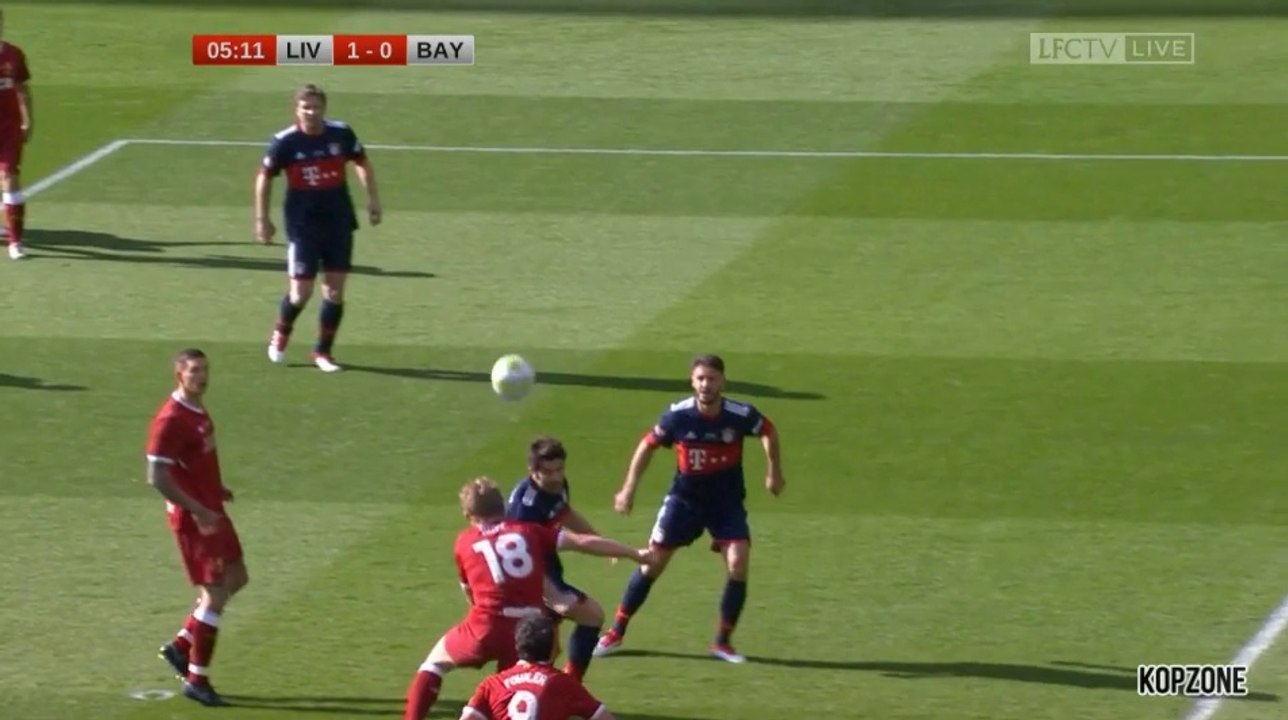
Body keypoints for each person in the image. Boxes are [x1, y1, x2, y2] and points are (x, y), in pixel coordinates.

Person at [404, 477, 656, 720]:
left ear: (470, 516)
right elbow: (581, 542)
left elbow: (468, 591)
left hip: (484, 626)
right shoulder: (530, 531)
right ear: (502, 507)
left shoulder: (464, 541)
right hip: (524, 632)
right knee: (511, 699)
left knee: (434, 664)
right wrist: (634, 553)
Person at [595, 354, 784, 663]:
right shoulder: (677, 416)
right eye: (700, 379)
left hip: (726, 503)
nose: (706, 385)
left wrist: (773, 472)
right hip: (685, 501)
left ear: (722, 381)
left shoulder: (739, 414)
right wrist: (628, 488)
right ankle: (616, 631)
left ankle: (722, 643)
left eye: (711, 378)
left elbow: (768, 431)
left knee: (738, 564)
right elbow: (647, 445)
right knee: (652, 564)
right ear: (692, 381)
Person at [145, 349, 248, 707]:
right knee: (216, 594)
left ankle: (181, 645)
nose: (201, 376)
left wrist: (215, 489)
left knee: (237, 577)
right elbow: (156, 476)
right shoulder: (170, 419)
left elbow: (193, 463)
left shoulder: (197, 409)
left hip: (210, 509)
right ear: (179, 375)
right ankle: (197, 680)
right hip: (195, 519)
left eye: (205, 369)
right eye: (193, 371)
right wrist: (198, 509)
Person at [254, 83, 382, 372]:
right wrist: (262, 219)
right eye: (305, 107)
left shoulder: (341, 133)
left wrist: (372, 200)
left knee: (334, 293)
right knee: (301, 292)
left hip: (339, 222)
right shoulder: (285, 142)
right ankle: (281, 333)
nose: (311, 112)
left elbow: (362, 162)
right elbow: (264, 177)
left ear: (324, 109)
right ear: (296, 109)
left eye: (316, 107)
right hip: (303, 226)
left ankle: (323, 352)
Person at [506, 437, 608, 681]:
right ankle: (562, 690)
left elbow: (565, 513)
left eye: (559, 470)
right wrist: (555, 597)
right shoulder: (525, 510)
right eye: (548, 472)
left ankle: (554, 694)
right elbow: (524, 562)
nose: (555, 477)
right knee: (591, 616)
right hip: (531, 578)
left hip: (547, 567)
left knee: (547, 650)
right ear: (532, 471)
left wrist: (598, 539)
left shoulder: (556, 486)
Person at [459, 615, 615, 720]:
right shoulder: (563, 684)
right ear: (553, 649)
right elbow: (603, 717)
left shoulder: (491, 685)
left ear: (517, 645)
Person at [0, 9, 33, 260]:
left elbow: (22, 89)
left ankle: (15, 242)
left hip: (9, 128)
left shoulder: (13, 55)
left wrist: (27, 119)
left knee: (9, 177)